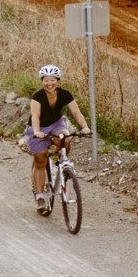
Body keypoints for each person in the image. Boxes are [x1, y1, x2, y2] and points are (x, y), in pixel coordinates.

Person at [21, 64, 91, 213]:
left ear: (58, 81)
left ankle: (62, 163)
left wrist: (84, 127)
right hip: (38, 127)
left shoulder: (65, 94)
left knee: (65, 138)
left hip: (56, 124)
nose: (49, 83)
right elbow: (35, 116)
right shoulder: (37, 96)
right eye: (46, 80)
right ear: (42, 81)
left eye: (52, 80)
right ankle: (40, 195)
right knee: (40, 161)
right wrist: (38, 131)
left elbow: (76, 112)